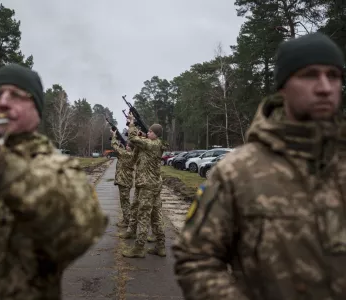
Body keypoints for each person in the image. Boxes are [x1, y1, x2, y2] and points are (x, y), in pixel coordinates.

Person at [172, 32, 346, 299]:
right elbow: (196, 259)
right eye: (310, 75)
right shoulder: (238, 172)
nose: (324, 87)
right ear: (282, 87)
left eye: (333, 76)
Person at [0, 64, 108, 300]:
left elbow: (79, 234)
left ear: (36, 111)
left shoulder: (59, 166)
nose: (2, 102)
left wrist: (1, 167)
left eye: (16, 95)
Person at [121, 113, 167, 258]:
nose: (148, 133)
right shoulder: (155, 144)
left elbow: (132, 138)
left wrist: (132, 124)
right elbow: (138, 145)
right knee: (156, 216)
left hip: (147, 186)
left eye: (150, 131)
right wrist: (141, 134)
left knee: (143, 215)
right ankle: (161, 246)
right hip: (153, 185)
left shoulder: (151, 144)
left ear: (156, 134)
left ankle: (139, 248)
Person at [110, 130, 134, 227]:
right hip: (125, 181)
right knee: (125, 201)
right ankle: (126, 219)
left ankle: (127, 221)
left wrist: (114, 136)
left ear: (131, 148)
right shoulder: (130, 154)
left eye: (128, 146)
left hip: (124, 181)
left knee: (125, 202)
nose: (126, 146)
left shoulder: (127, 154)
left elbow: (115, 147)